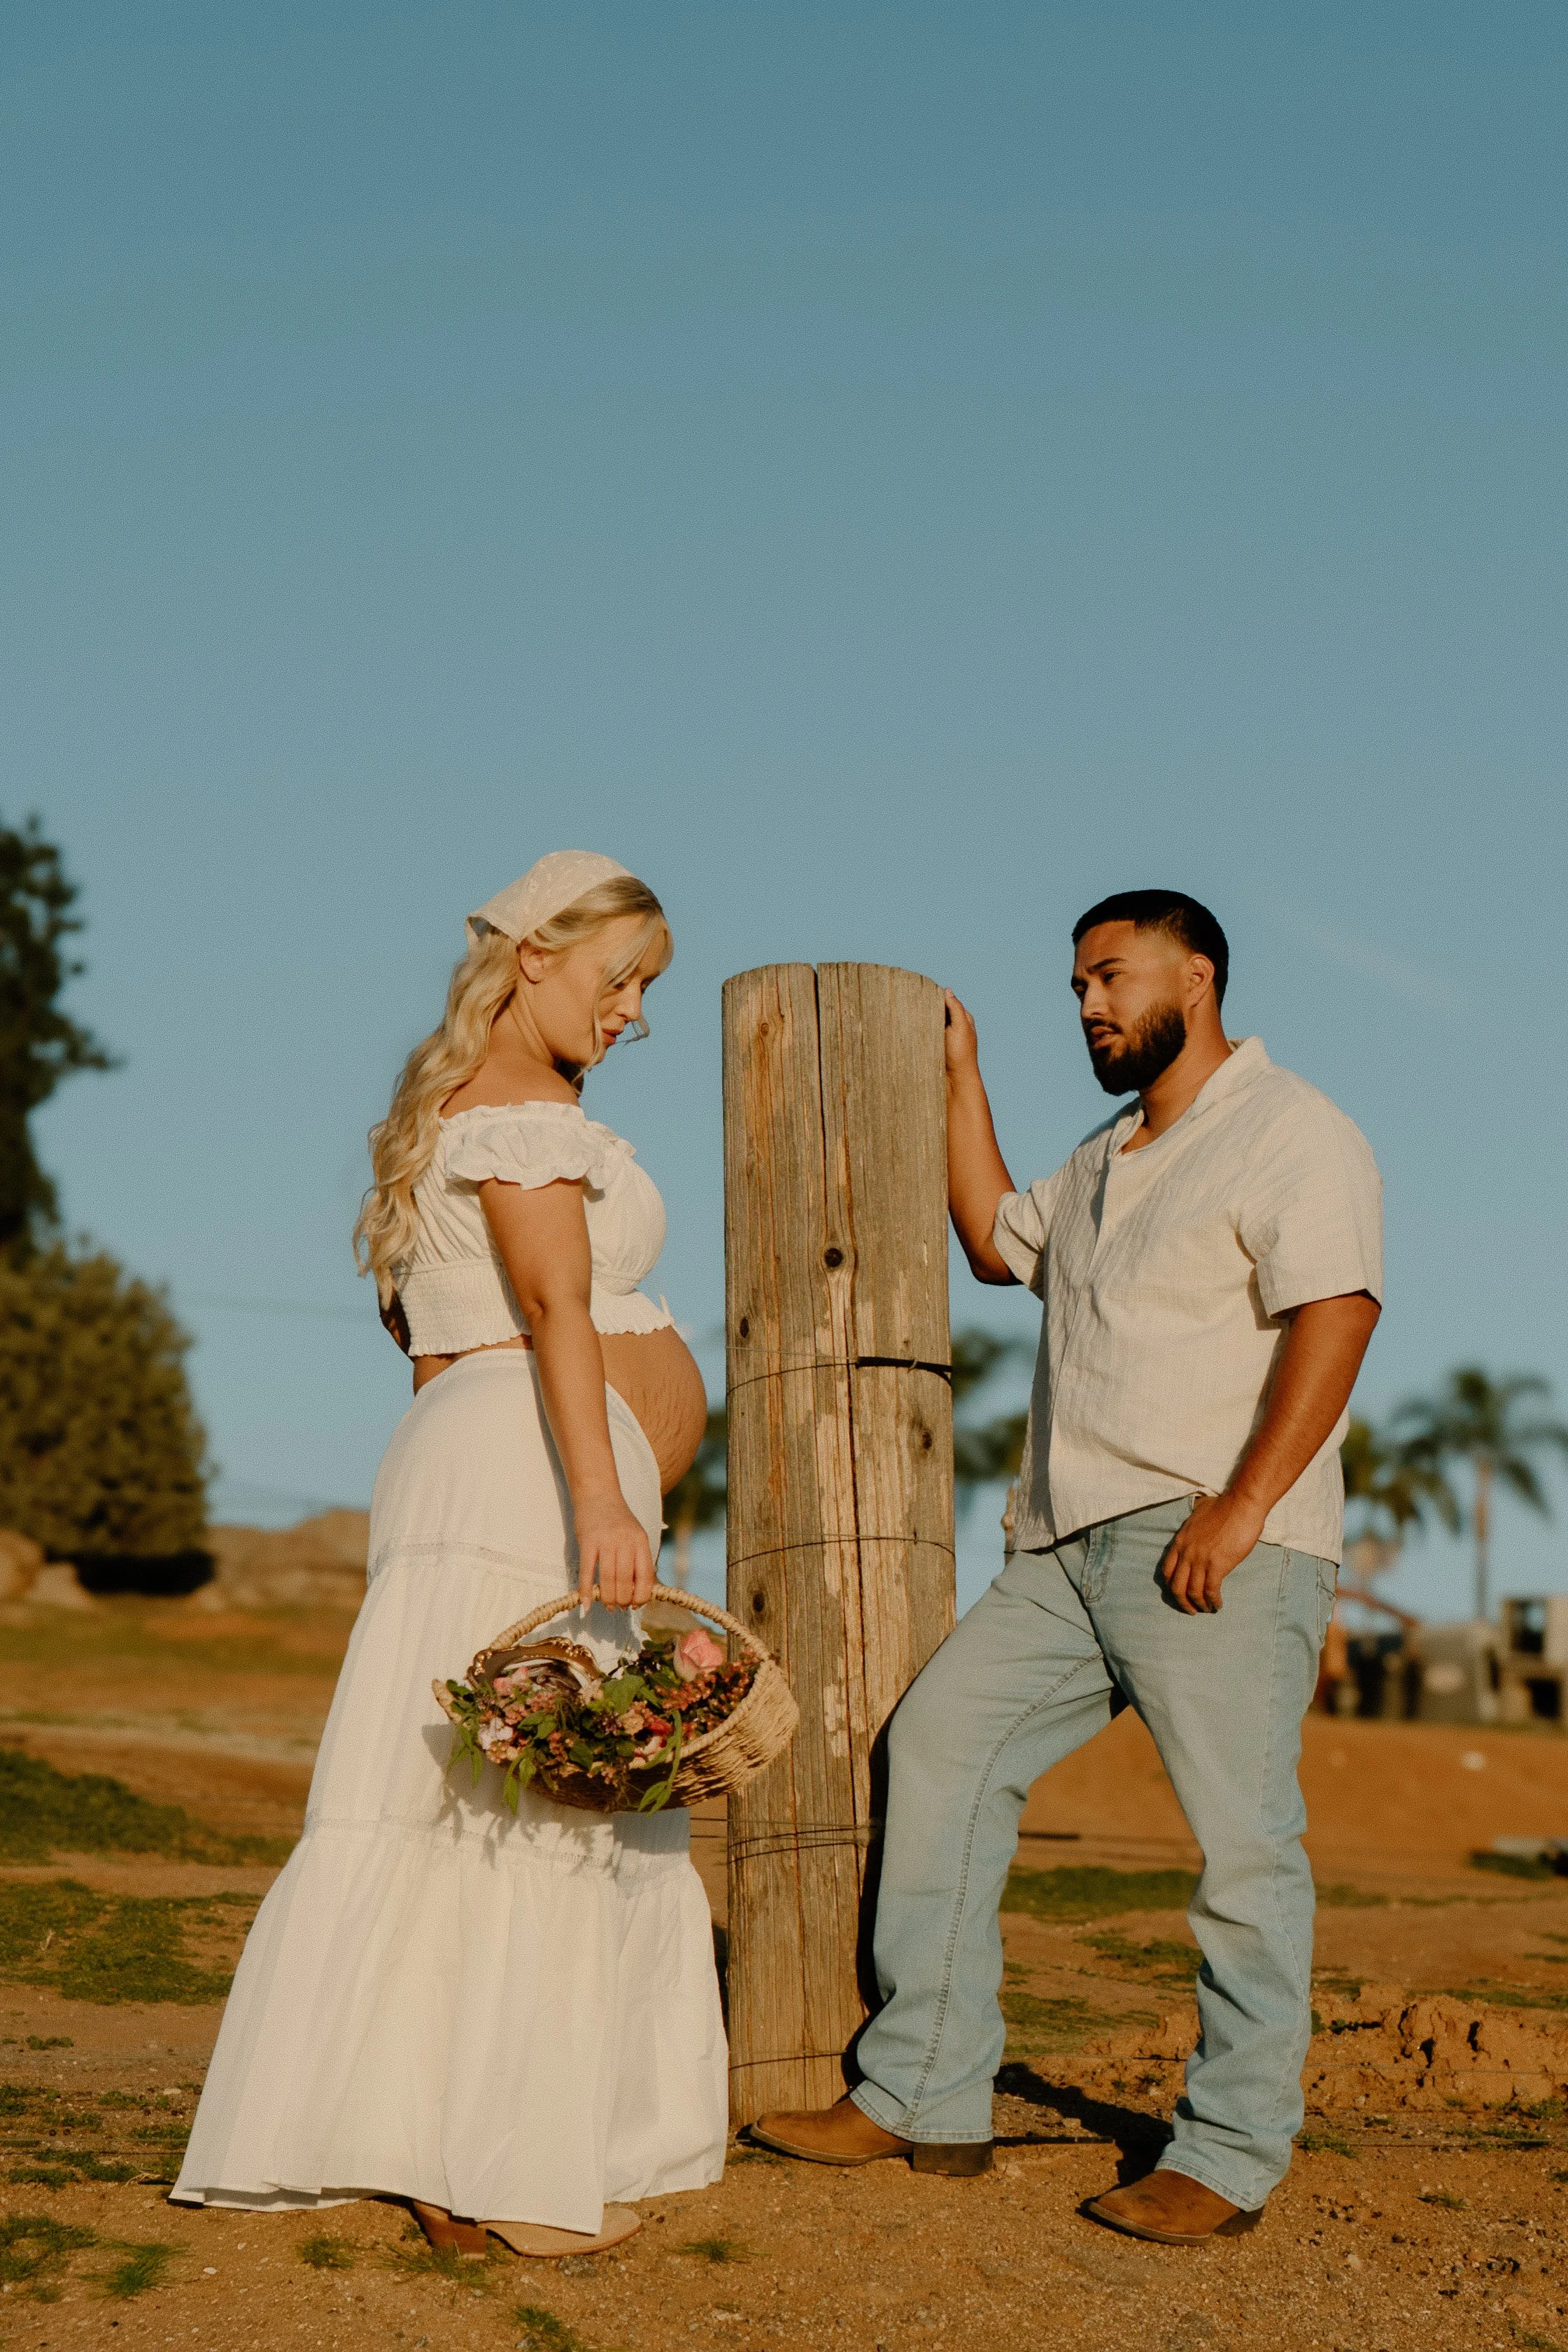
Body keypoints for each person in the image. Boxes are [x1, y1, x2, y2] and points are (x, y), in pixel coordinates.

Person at [754, 889, 1383, 2246]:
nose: (1090, 1005)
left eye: (1112, 977)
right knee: (939, 1750)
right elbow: (997, 1244)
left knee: (1241, 1849)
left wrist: (1241, 1507)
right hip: (1060, 1545)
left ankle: (1228, 2154)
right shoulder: (1108, 1156)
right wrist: (960, 1076)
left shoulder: (1293, 1130)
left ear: (1195, 978)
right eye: (1078, 987)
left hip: (1209, 1541)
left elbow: (1336, 1314)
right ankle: (923, 2090)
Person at [174, 852, 727, 2258]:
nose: (634, 1013)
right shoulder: (524, 1117)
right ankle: (494, 2161)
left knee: (470, 1801)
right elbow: (553, 1309)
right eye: (619, 979)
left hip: (474, 1458)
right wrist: (601, 1501)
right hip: (531, 1475)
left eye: (647, 989)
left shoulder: (453, 1114)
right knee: (529, 1805)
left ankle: (432, 2138)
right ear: (535, 956)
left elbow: (430, 1342)